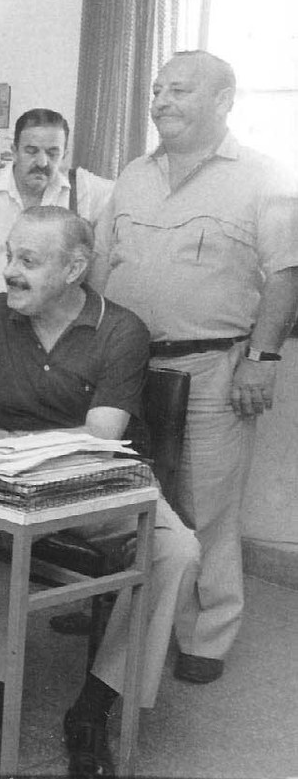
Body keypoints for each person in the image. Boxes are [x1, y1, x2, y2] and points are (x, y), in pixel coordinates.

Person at [0, 206, 199, 778]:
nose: (10, 272)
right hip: (9, 483)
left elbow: (100, 437)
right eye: (9, 256)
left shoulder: (121, 328)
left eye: (28, 262)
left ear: (74, 269)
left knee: (178, 551)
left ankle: (93, 708)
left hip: (96, 482)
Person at [93, 50, 298, 685]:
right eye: (156, 90)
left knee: (204, 505)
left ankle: (205, 634)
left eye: (179, 90)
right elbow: (101, 264)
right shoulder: (131, 174)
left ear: (223, 100)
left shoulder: (264, 176)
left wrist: (262, 361)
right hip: (127, 370)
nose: (160, 102)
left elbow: (286, 274)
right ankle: (113, 610)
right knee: (120, 495)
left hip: (213, 367)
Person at [0, 108, 112, 412]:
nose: (42, 162)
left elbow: (130, 196)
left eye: (54, 153)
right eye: (31, 151)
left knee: (36, 415)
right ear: (13, 150)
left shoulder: (85, 190)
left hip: (45, 322)